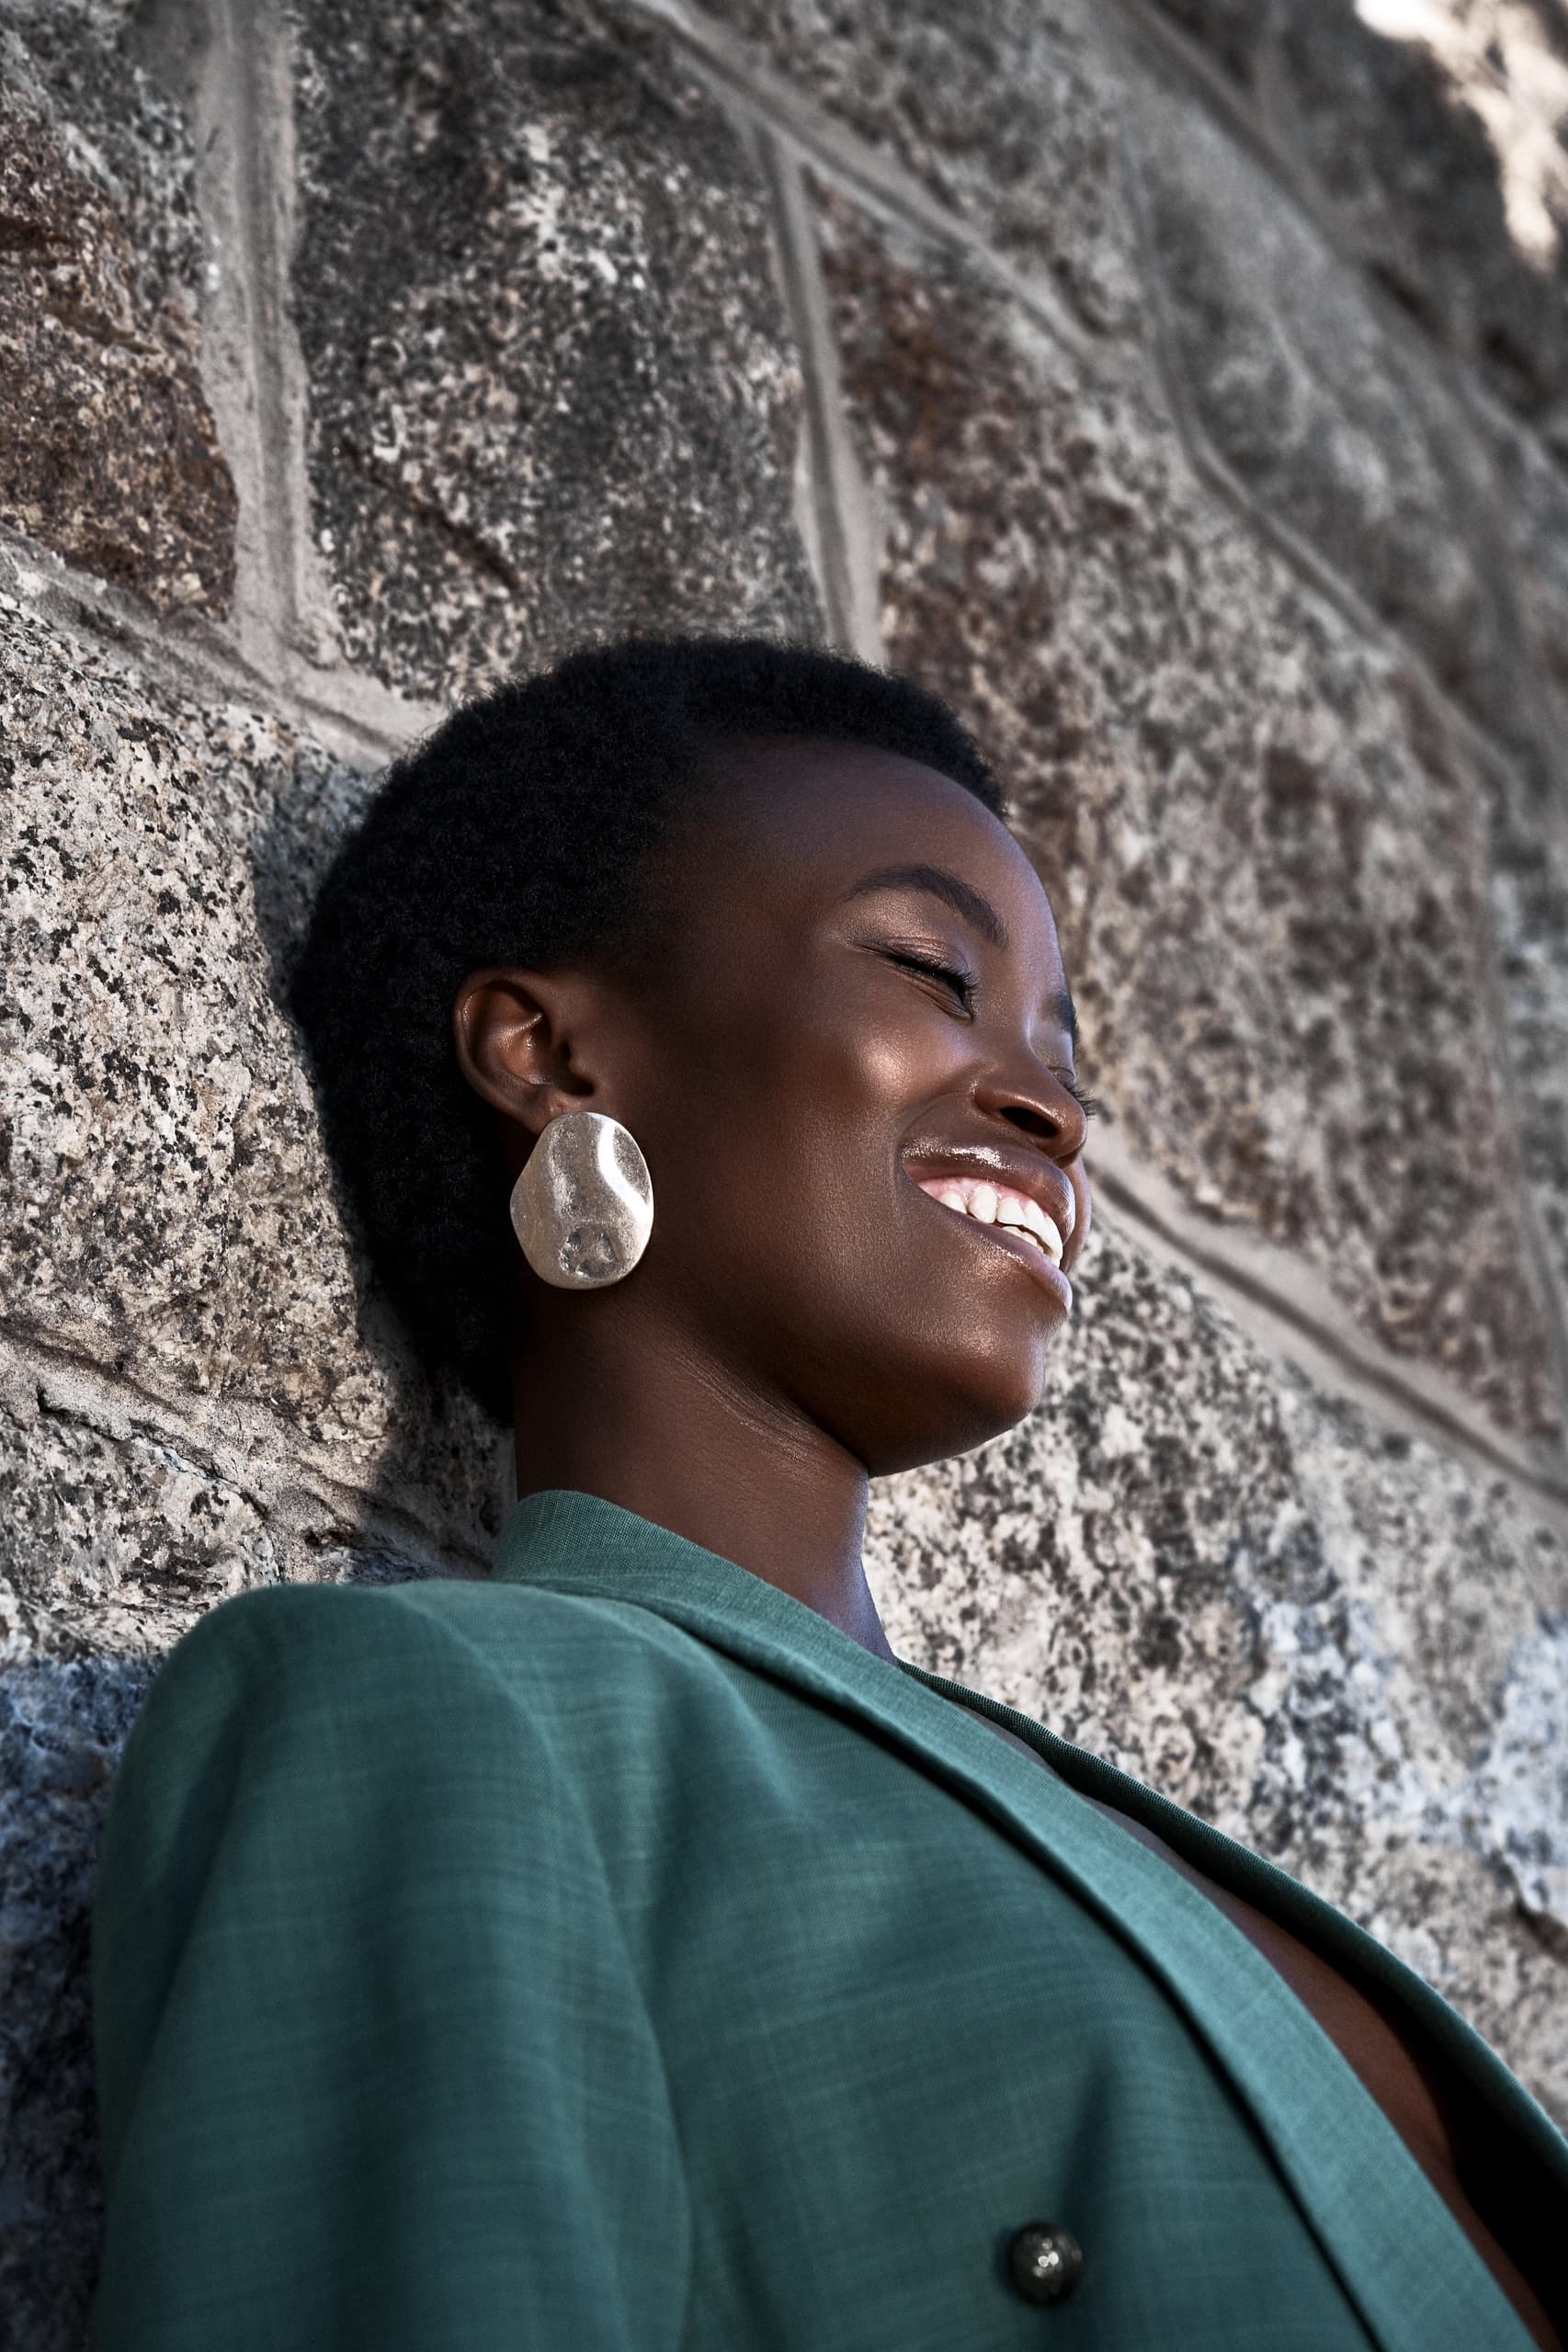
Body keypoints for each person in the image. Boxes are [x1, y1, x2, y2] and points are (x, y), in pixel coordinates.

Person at [90, 637, 1565, 2349]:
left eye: (1059, 1040)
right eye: (931, 968)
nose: (1051, 1105)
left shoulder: (1098, 1840)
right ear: (548, 1054)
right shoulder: (433, 1722)